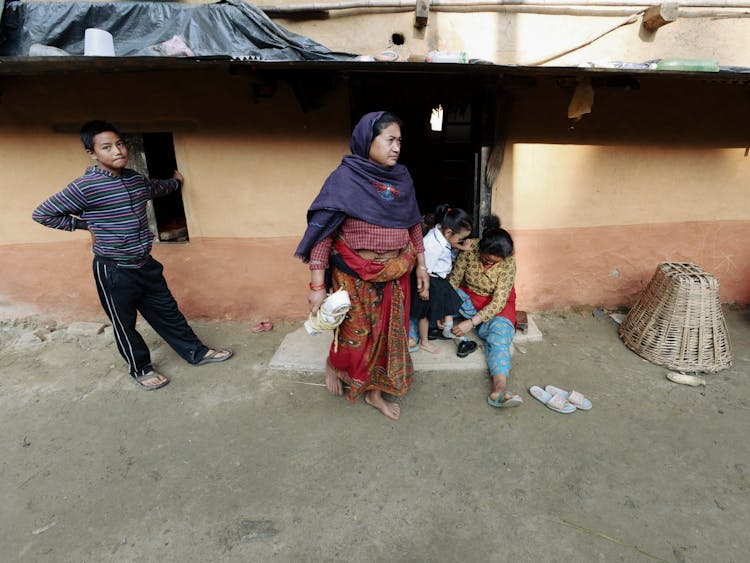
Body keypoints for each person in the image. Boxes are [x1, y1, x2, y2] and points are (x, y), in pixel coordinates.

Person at [32, 120, 233, 390]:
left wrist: (175, 183)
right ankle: (140, 368)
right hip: (114, 269)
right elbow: (42, 214)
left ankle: (196, 352)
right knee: (124, 323)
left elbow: (155, 189)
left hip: (145, 263)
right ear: (92, 153)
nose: (117, 151)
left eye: (120, 144)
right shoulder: (85, 187)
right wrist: (85, 224)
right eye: (107, 147)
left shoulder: (135, 179)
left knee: (168, 312)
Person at [295, 111, 428, 420]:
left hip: (395, 274)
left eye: (400, 142)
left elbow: (414, 225)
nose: (397, 147)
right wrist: (317, 286)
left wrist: (421, 266)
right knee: (354, 338)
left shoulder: (402, 179)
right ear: (368, 140)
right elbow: (323, 235)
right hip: (353, 275)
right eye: (390, 140)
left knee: (387, 339)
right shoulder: (344, 179)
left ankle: (375, 393)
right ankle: (335, 365)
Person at [449, 214, 523, 408]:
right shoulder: (470, 248)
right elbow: (454, 279)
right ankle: (412, 334)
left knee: (499, 337)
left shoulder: (508, 262)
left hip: (497, 305)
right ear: (481, 250)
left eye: (495, 263)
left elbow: (499, 301)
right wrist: (445, 311)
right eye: (488, 260)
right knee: (438, 297)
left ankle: (500, 389)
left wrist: (471, 322)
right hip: (468, 296)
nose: (491, 264)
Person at [408, 204, 477, 357]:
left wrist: (460, 246)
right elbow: (425, 268)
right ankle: (424, 342)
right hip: (429, 280)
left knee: (449, 301)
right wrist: (424, 289)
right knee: (424, 314)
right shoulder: (432, 246)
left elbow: (449, 243)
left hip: (439, 279)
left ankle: (446, 329)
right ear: (449, 232)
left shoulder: (440, 232)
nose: (461, 241)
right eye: (460, 238)